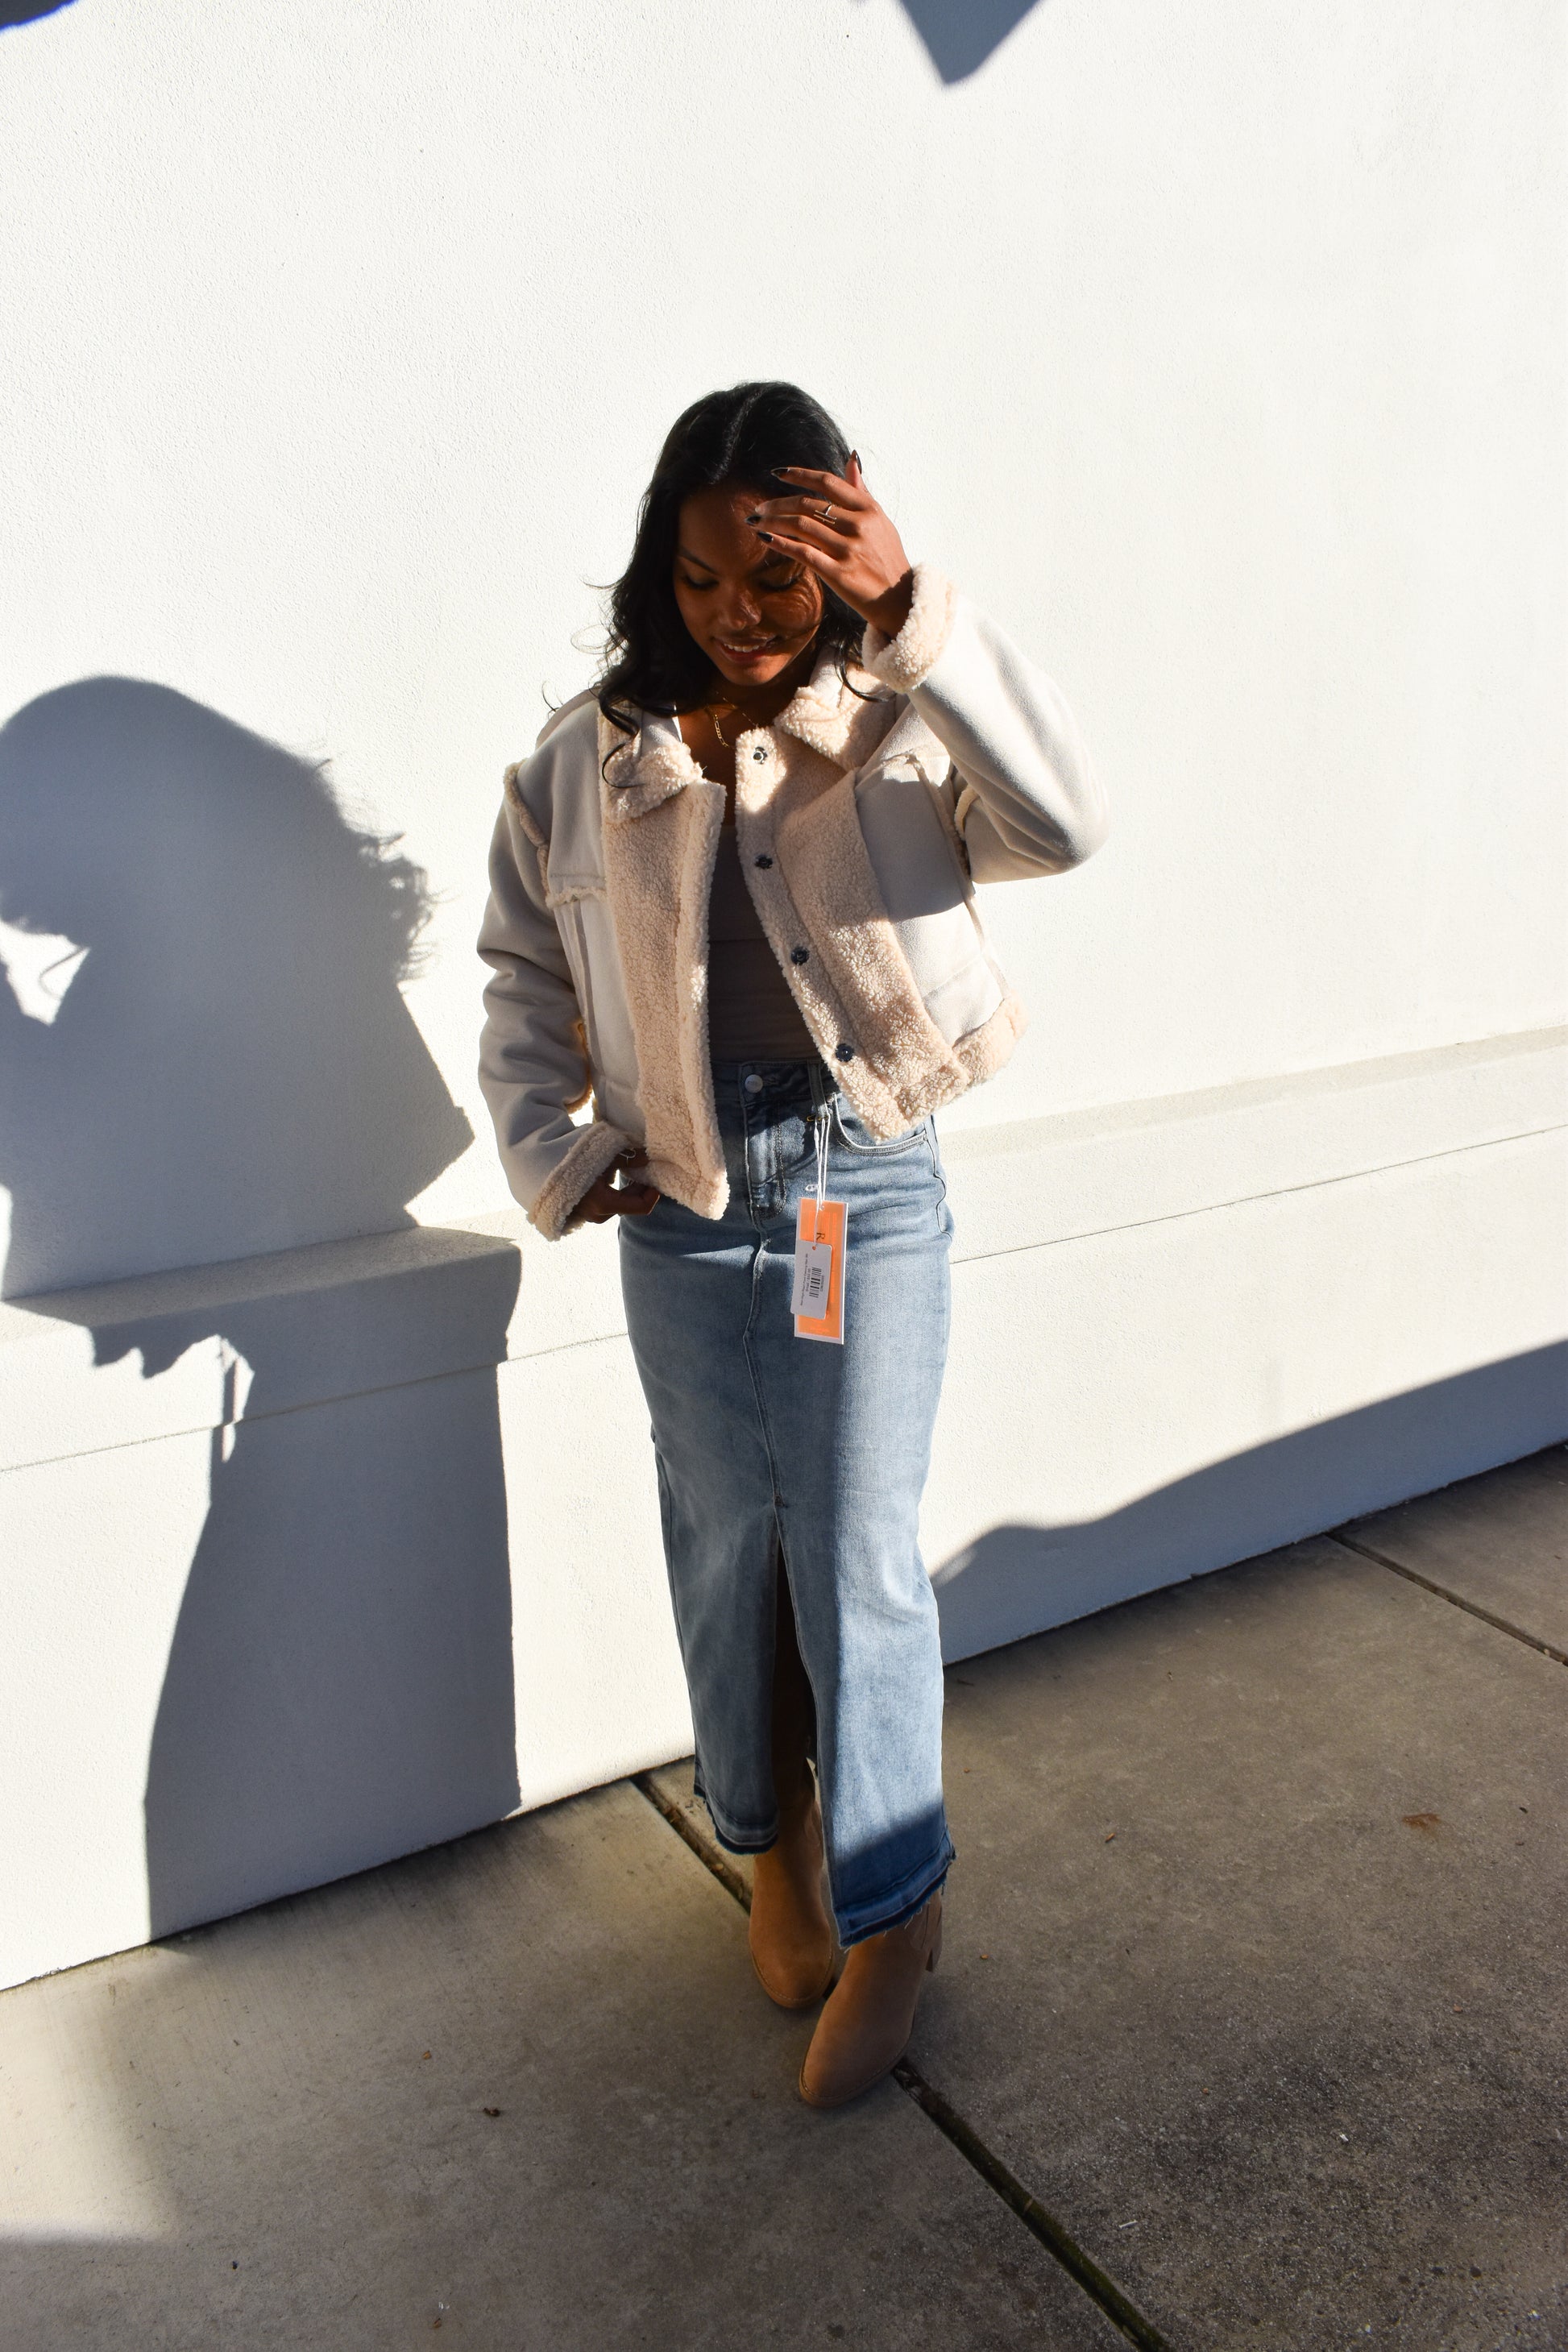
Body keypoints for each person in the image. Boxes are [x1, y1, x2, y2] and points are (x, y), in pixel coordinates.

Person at [478, 381, 1106, 2105]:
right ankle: (775, 1850)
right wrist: (554, 1148)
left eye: (774, 576)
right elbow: (523, 975)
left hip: (856, 1182)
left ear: (836, 554)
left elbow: (1065, 824)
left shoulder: (897, 716)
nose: (736, 615)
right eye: (698, 578)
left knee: (853, 1548)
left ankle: (898, 1911)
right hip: (682, 1201)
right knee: (724, 1542)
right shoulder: (589, 756)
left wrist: (915, 610)